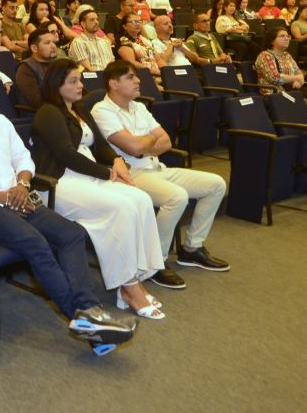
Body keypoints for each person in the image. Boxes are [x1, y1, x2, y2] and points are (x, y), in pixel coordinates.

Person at [0, 62, 138, 345]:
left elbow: (23, 158)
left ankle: (89, 310)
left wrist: (22, 186)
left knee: (72, 233)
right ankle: (83, 317)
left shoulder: (2, 121)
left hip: (19, 197)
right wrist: (4, 197)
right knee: (36, 243)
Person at [30, 59, 165, 319]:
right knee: (121, 207)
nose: (80, 85)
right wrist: (108, 173)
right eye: (73, 81)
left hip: (88, 175)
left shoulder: (79, 109)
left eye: (80, 80)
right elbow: (66, 155)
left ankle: (137, 276)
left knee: (140, 199)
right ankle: (127, 286)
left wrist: (117, 161)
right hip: (60, 182)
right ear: (57, 85)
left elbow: (100, 145)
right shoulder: (48, 112)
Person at [92, 60, 230, 290]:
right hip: (132, 174)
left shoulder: (139, 107)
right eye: (130, 77)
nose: (138, 81)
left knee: (216, 184)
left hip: (157, 168)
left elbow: (166, 141)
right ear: (113, 84)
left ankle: (191, 248)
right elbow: (133, 148)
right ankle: (155, 263)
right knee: (176, 197)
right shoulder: (102, 110)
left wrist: (142, 146)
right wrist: (146, 142)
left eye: (136, 76)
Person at [255, 28, 307, 115]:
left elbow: (299, 73)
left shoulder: (287, 55)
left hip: (290, 90)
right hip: (274, 93)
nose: (286, 38)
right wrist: (295, 78)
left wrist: (298, 80)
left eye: (287, 36)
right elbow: (275, 78)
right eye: (282, 36)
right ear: (272, 41)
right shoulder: (265, 56)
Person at [15, 29, 58, 109]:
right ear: (34, 48)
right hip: (41, 114)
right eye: (47, 43)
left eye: (54, 42)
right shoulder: (25, 68)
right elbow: (37, 102)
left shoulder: (56, 65)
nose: (53, 46)